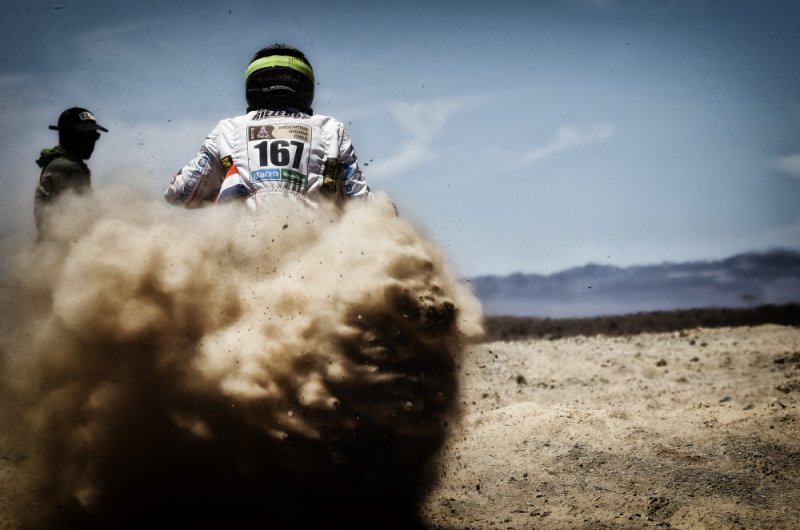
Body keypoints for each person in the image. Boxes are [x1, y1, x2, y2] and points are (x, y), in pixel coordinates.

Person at [164, 44, 372, 211]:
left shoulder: (228, 129)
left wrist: (219, 189)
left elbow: (179, 194)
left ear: (252, 86)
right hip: (314, 241)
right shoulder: (331, 128)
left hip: (241, 240)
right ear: (305, 88)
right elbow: (361, 204)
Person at [35, 107, 108, 233]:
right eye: (85, 136)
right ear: (67, 136)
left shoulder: (58, 162)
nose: (91, 142)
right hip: (66, 243)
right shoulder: (68, 168)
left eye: (94, 136)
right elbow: (87, 217)